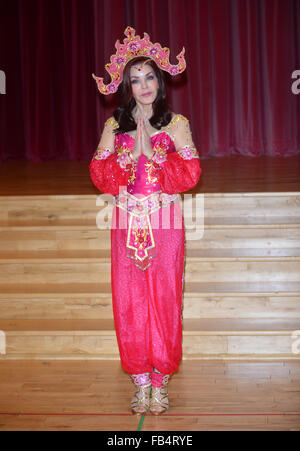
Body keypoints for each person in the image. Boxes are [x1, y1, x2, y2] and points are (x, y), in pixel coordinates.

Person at [89, 27, 202, 415]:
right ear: (127, 86)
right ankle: (139, 383)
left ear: (160, 80)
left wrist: (152, 144)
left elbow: (190, 174)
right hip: (125, 224)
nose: (144, 86)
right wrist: (125, 158)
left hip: (165, 223)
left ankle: (161, 382)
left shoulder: (176, 124)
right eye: (135, 80)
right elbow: (98, 174)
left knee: (165, 300)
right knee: (129, 301)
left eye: (150, 76)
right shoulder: (113, 126)